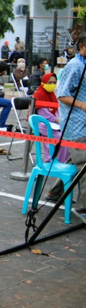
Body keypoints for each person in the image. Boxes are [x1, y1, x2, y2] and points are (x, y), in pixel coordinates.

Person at [52, 33, 86, 214]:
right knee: (85, 164)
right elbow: (62, 94)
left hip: (83, 123)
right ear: (81, 47)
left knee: (76, 160)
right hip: (75, 123)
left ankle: (54, 191)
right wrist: (82, 105)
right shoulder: (75, 66)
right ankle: (83, 208)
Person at [33, 73, 69, 164]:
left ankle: (62, 160)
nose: (52, 85)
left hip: (53, 124)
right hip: (41, 122)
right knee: (59, 137)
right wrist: (57, 120)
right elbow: (44, 114)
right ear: (44, 82)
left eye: (54, 82)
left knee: (66, 136)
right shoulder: (39, 94)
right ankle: (50, 160)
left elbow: (56, 111)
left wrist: (60, 120)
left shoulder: (52, 95)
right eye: (50, 82)